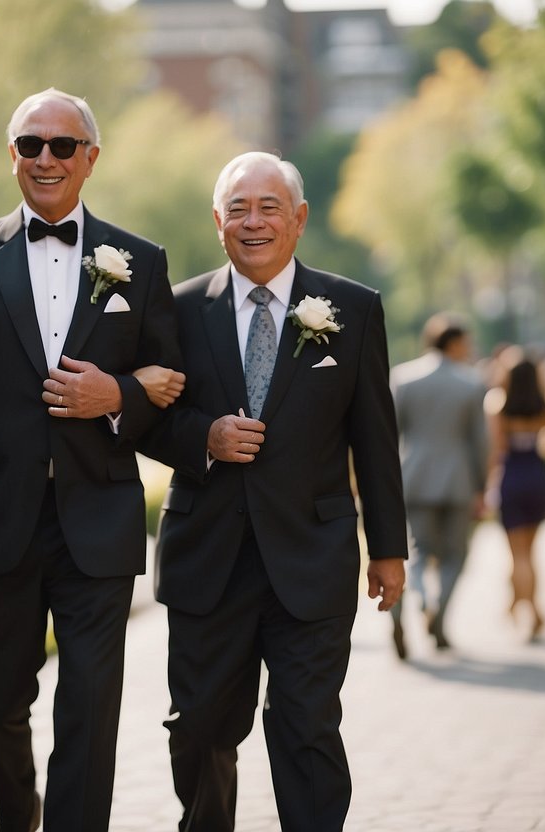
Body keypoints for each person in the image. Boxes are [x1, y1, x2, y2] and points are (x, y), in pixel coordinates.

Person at [0, 88, 182, 832]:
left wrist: (113, 394)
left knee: (90, 705)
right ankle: (16, 816)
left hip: (99, 518)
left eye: (62, 146)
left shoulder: (141, 263)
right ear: (11, 155)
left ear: (91, 158)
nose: (45, 159)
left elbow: (168, 386)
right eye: (30, 144)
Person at [139, 151, 407, 831]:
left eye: (267, 207)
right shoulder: (172, 310)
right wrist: (203, 436)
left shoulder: (352, 308)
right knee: (197, 729)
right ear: (216, 221)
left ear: (298, 219)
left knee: (306, 726)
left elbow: (373, 438)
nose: (252, 221)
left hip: (312, 558)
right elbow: (143, 419)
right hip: (207, 558)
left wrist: (388, 549)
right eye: (237, 208)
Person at [389, 312, 489, 657]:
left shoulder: (403, 377)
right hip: (459, 480)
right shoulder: (472, 382)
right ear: (457, 343)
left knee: (418, 552)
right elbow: (481, 442)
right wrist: (482, 485)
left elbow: (389, 433)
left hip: (413, 477)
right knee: (455, 556)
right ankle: (439, 617)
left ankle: (418, 596)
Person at [486, 347, 545, 640]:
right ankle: (532, 611)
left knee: (518, 555)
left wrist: (487, 486)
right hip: (538, 475)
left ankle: (524, 611)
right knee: (530, 552)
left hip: (512, 476)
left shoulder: (498, 404)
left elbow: (497, 450)